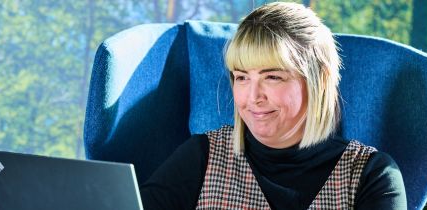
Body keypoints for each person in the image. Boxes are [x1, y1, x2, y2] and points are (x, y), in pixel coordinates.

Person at [139, 2, 407, 210]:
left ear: (320, 80)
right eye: (242, 77)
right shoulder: (200, 157)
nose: (252, 96)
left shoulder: (371, 177)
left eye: (272, 76)